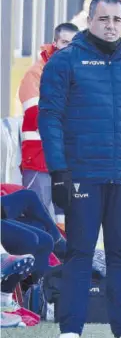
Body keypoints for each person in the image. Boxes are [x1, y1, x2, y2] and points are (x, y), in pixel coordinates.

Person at [38, 0, 121, 338]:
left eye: (117, 20)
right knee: (79, 253)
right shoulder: (65, 63)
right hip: (82, 176)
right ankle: (69, 333)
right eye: (104, 19)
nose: (111, 26)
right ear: (90, 21)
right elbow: (50, 118)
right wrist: (59, 172)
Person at [18, 22, 79, 226]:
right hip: (39, 159)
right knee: (39, 219)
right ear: (55, 43)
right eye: (64, 42)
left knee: (66, 221)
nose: (69, 48)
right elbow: (37, 116)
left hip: (67, 160)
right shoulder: (36, 74)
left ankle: (64, 258)